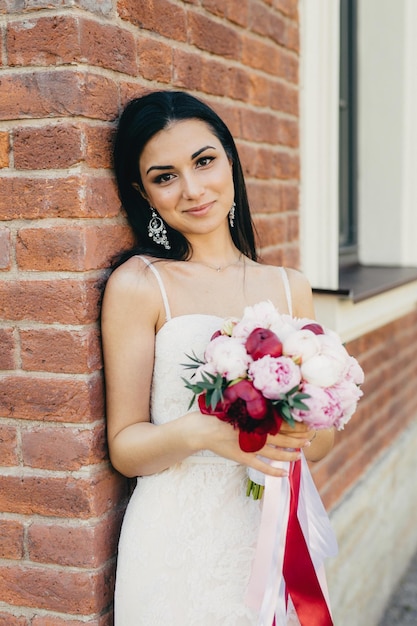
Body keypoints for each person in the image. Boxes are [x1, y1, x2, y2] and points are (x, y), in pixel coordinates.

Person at [101, 90, 336, 626]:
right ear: (145, 194)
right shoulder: (140, 286)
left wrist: (297, 428)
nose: (192, 189)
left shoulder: (290, 286)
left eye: (204, 162)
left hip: (270, 528)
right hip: (176, 543)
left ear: (230, 160)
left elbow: (321, 442)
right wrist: (205, 432)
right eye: (165, 177)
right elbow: (126, 448)